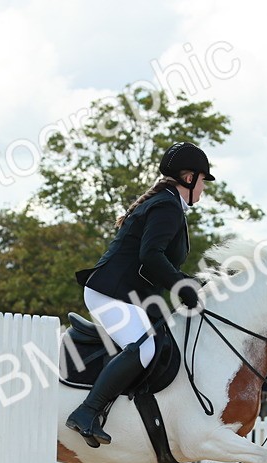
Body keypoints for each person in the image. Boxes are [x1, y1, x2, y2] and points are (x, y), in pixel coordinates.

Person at [65, 141, 210, 447]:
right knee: (144, 349)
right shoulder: (167, 206)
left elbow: (157, 262)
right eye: (202, 181)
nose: (203, 188)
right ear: (188, 179)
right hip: (110, 292)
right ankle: (86, 412)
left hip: (128, 293)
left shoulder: (167, 203)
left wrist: (186, 282)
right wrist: (181, 285)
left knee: (161, 340)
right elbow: (151, 255)